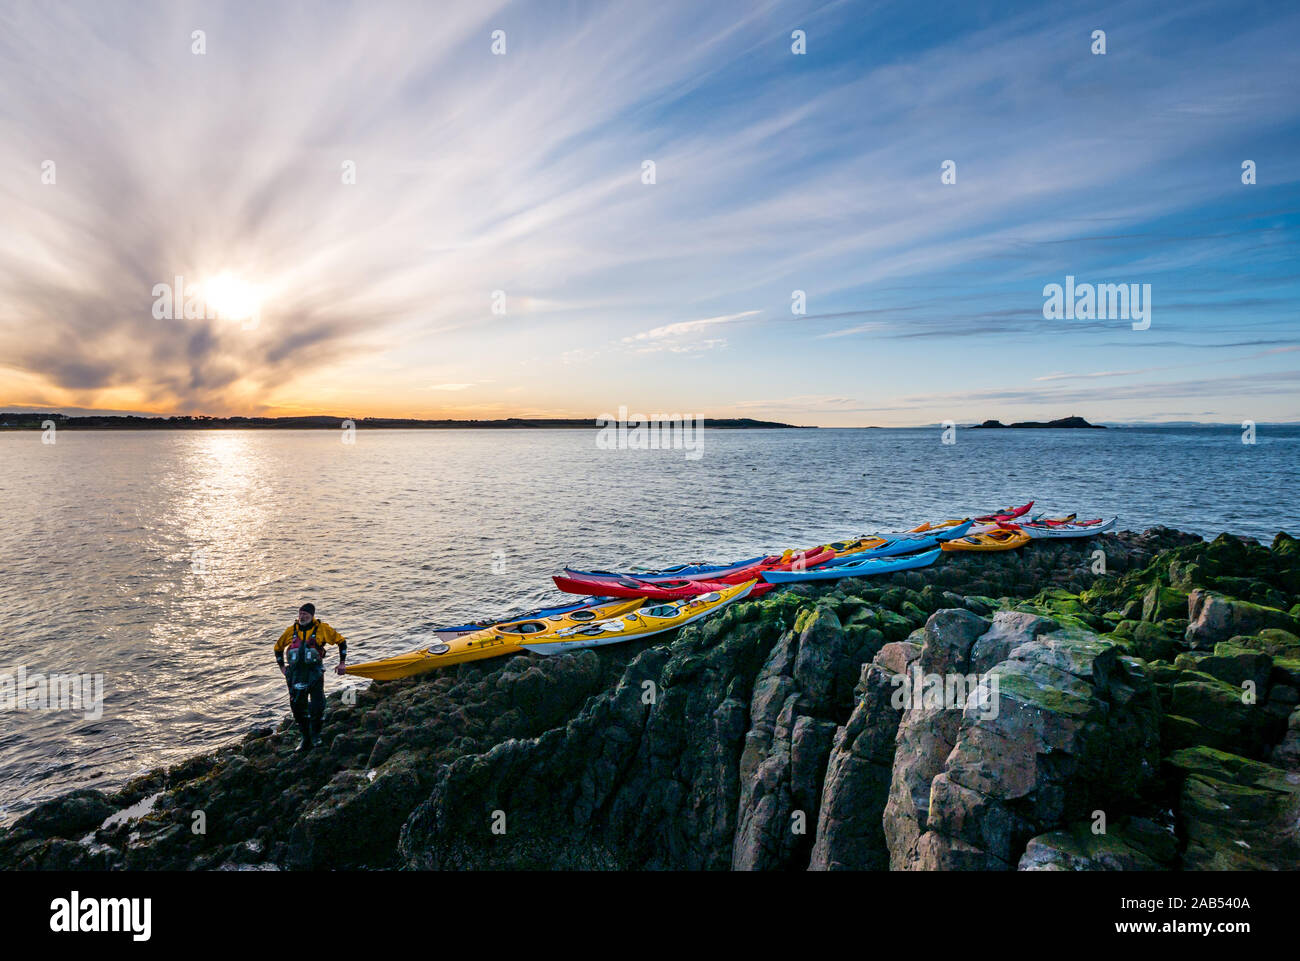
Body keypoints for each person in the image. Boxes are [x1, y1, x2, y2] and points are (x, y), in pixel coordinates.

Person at [274, 603, 347, 752]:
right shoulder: (291, 631)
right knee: (297, 707)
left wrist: (342, 664)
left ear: (312, 615)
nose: (302, 617)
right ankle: (305, 738)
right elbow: (278, 648)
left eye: (305, 614)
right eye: (300, 614)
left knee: (317, 706)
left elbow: (341, 642)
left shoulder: (322, 629)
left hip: (314, 673)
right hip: (295, 675)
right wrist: (282, 667)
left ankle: (316, 736)